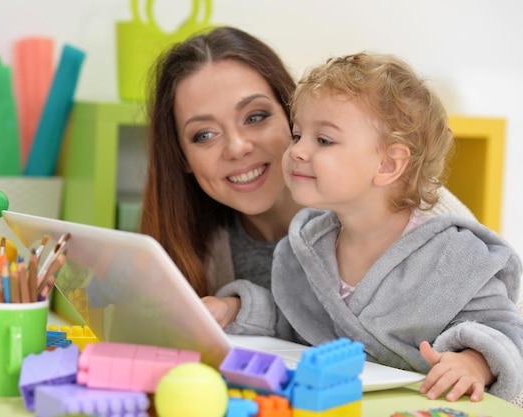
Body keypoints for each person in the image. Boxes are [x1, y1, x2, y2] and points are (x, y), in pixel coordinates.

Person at [214, 52, 523, 402]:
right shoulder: (305, 247)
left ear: (389, 164)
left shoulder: (454, 255)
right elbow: (292, 324)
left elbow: (501, 329)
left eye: (324, 140)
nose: (297, 151)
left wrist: (473, 362)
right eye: (298, 134)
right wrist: (236, 309)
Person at [139, 26, 476, 322]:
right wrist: (235, 308)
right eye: (204, 135)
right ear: (181, 156)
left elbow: (507, 340)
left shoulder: (414, 212)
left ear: (292, 114)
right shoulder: (196, 249)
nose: (237, 147)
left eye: (255, 117)